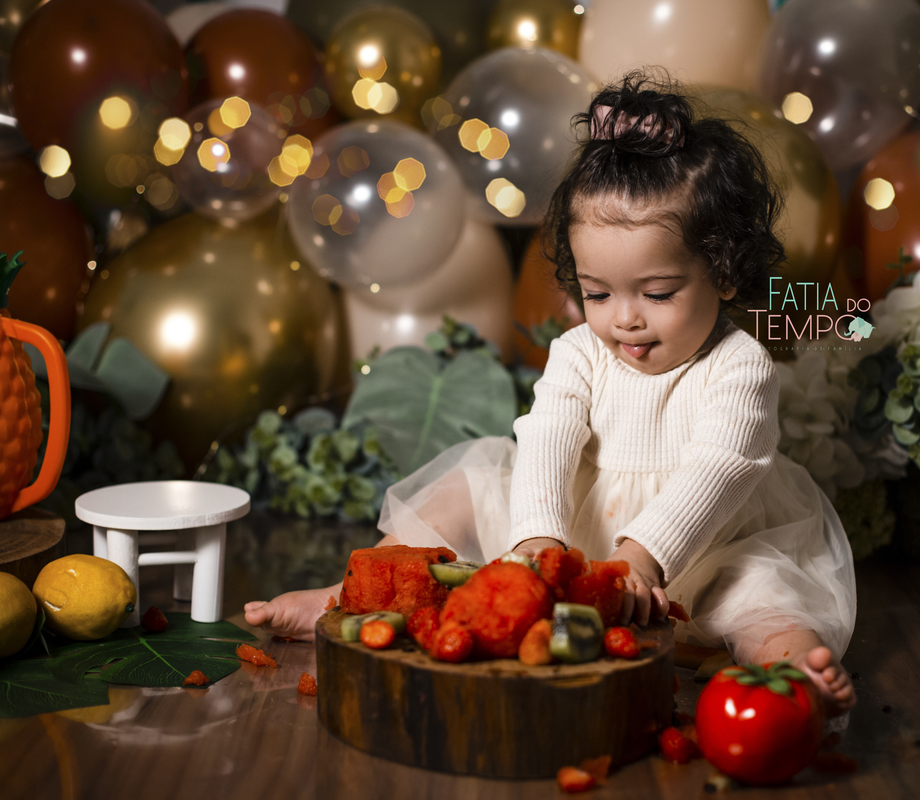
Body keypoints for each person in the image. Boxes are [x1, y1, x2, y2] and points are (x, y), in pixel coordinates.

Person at [245, 72, 856, 715]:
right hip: (572, 523)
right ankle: (351, 596)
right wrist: (538, 535)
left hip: (706, 543)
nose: (625, 318)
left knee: (762, 595)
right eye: (597, 293)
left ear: (723, 271)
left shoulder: (740, 366)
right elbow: (550, 436)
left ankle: (794, 666)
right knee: (463, 488)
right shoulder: (580, 352)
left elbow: (720, 467)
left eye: (657, 293)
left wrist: (643, 556)